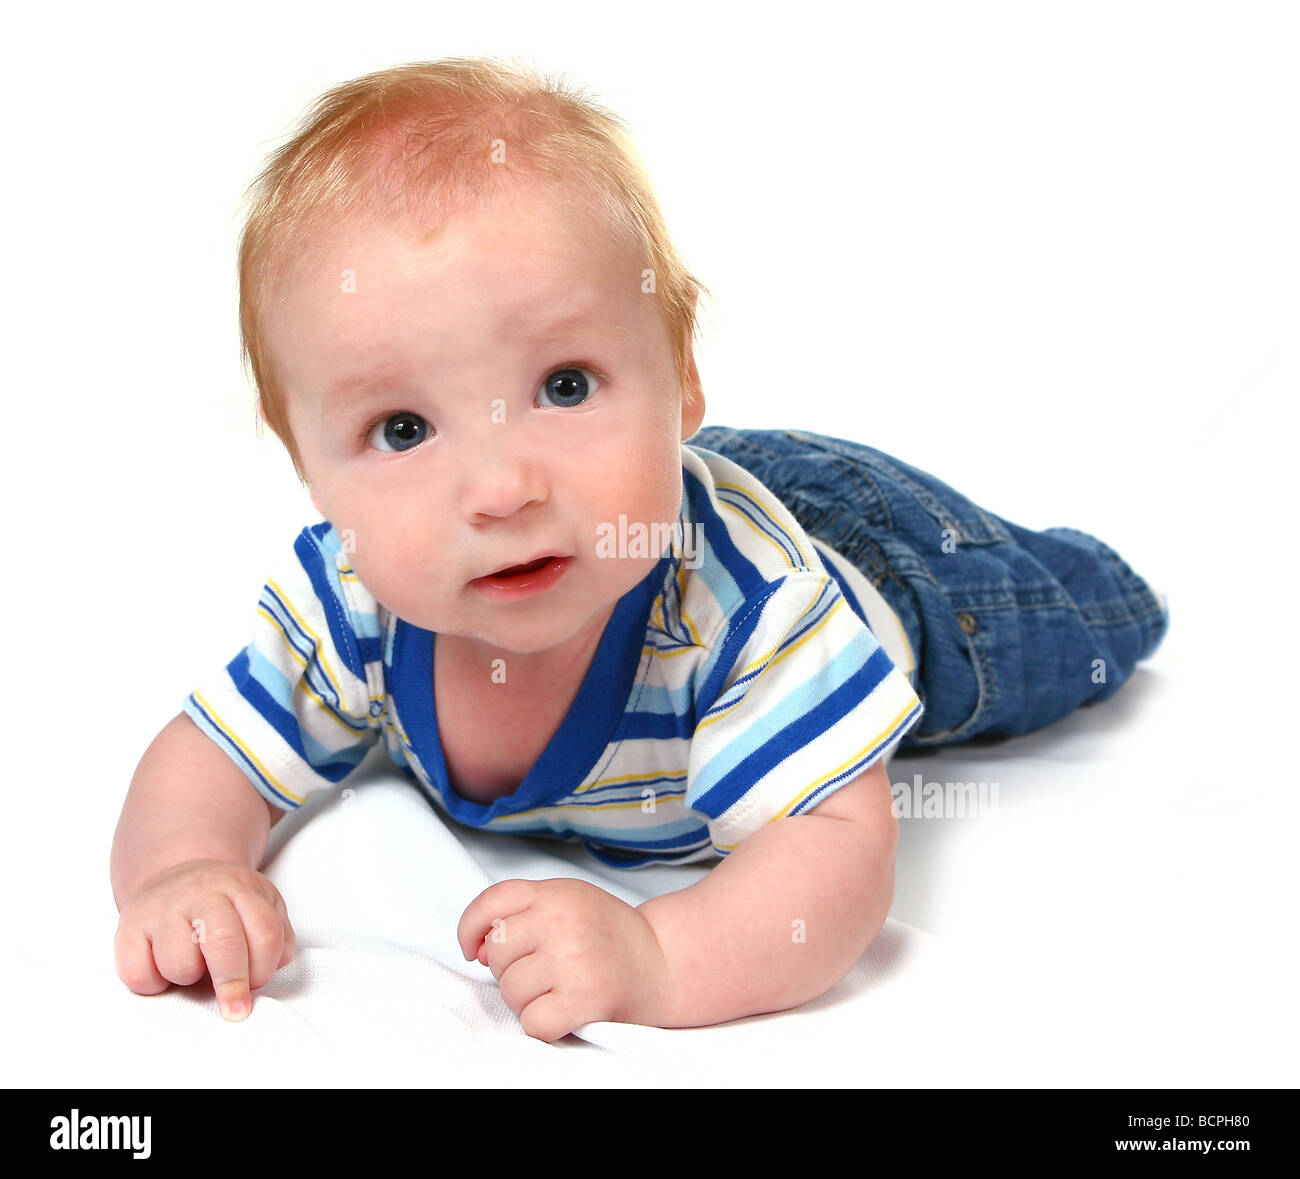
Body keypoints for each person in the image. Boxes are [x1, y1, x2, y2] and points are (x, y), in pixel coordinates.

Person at [110, 57, 1169, 1044]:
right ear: (309, 465)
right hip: (646, 491)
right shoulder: (349, 595)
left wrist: (655, 954)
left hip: (882, 558)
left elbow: (835, 853)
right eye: (402, 430)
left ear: (679, 378)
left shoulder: (749, 612)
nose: (502, 488)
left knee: (1074, 622)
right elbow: (209, 754)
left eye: (565, 386)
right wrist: (186, 868)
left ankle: (1089, 588)